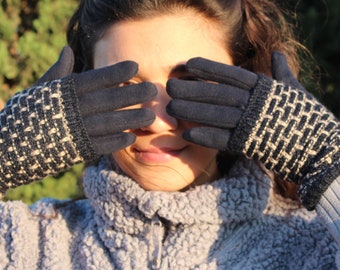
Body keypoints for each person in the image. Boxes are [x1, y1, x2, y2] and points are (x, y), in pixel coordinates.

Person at [0, 0, 339, 269]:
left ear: (247, 82)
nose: (158, 121)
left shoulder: (314, 247)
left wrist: (327, 161)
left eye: (188, 84)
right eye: (123, 88)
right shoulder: (29, 244)